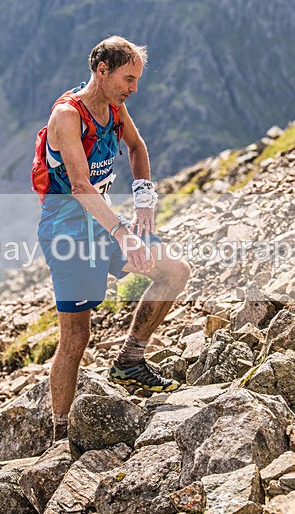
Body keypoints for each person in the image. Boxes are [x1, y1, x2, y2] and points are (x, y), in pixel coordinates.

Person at [37, 36, 191, 441]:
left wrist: (144, 201)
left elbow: (137, 148)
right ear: (101, 71)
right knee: (76, 337)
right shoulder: (68, 116)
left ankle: (130, 361)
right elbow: (80, 185)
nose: (134, 88)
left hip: (104, 221)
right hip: (67, 230)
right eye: (128, 78)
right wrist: (124, 234)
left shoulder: (116, 107)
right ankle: (60, 432)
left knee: (174, 270)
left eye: (136, 79)